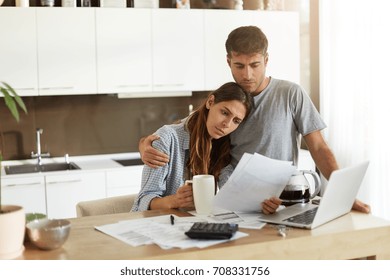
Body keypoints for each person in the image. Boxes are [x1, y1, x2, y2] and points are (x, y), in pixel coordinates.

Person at [138, 26, 371, 214]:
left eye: (254, 65)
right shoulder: (227, 101)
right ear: (228, 61)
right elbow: (188, 127)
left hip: (284, 200)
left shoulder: (291, 93)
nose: (247, 75)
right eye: (239, 66)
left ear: (266, 60)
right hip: (241, 204)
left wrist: (344, 195)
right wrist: (146, 144)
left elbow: (319, 147)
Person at [131, 82, 253, 211]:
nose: (227, 124)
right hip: (156, 224)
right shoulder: (167, 138)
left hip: (192, 225)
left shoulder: (223, 146)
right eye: (224, 112)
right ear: (210, 102)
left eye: (236, 121)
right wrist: (174, 201)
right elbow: (143, 201)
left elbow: (230, 195)